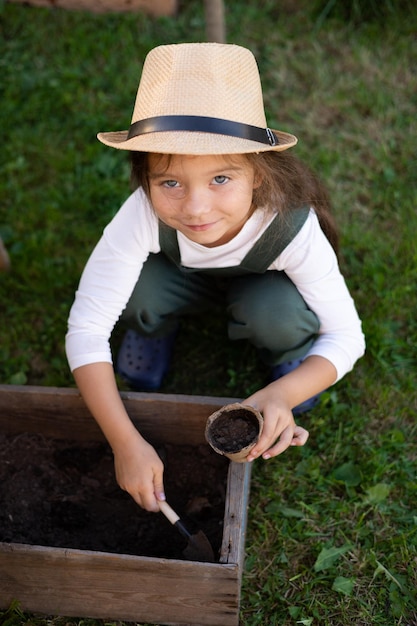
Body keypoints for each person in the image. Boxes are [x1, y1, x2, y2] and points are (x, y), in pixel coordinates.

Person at [66, 42, 365, 512]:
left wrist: (284, 393)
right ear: (145, 180)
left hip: (260, 287)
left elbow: (347, 335)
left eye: (221, 179)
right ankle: (154, 328)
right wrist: (125, 443)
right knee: (139, 295)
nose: (196, 207)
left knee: (276, 317)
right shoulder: (140, 216)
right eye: (170, 183)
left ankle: (287, 356)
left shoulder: (290, 226)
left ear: (259, 175)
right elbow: (85, 330)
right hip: (178, 276)